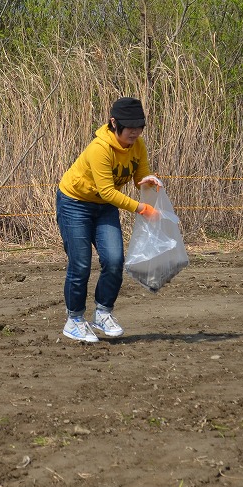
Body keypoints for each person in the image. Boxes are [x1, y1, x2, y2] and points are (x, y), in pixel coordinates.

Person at [56, 97, 163, 343]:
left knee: (114, 260)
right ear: (114, 123)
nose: (135, 131)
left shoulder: (137, 145)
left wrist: (147, 180)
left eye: (140, 126)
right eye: (129, 126)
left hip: (104, 208)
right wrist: (141, 208)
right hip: (75, 204)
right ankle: (74, 319)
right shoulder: (99, 148)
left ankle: (103, 313)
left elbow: (140, 174)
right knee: (81, 263)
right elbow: (107, 191)